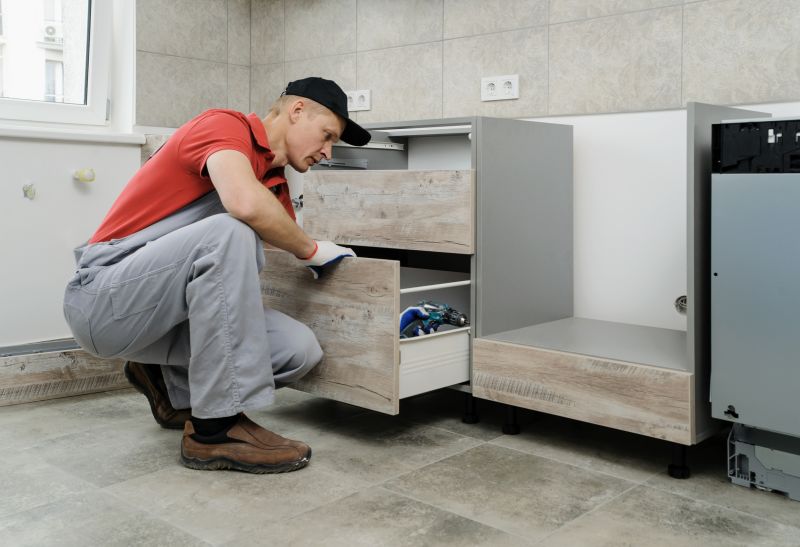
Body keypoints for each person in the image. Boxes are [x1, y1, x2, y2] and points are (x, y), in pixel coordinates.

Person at [62, 77, 372, 474]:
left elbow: (229, 290)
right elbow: (242, 203)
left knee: (297, 348)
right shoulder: (225, 127)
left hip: (160, 318)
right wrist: (311, 249)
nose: (328, 152)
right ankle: (215, 431)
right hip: (102, 299)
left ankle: (169, 385)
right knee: (229, 229)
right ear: (297, 112)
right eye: (327, 135)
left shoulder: (274, 189)